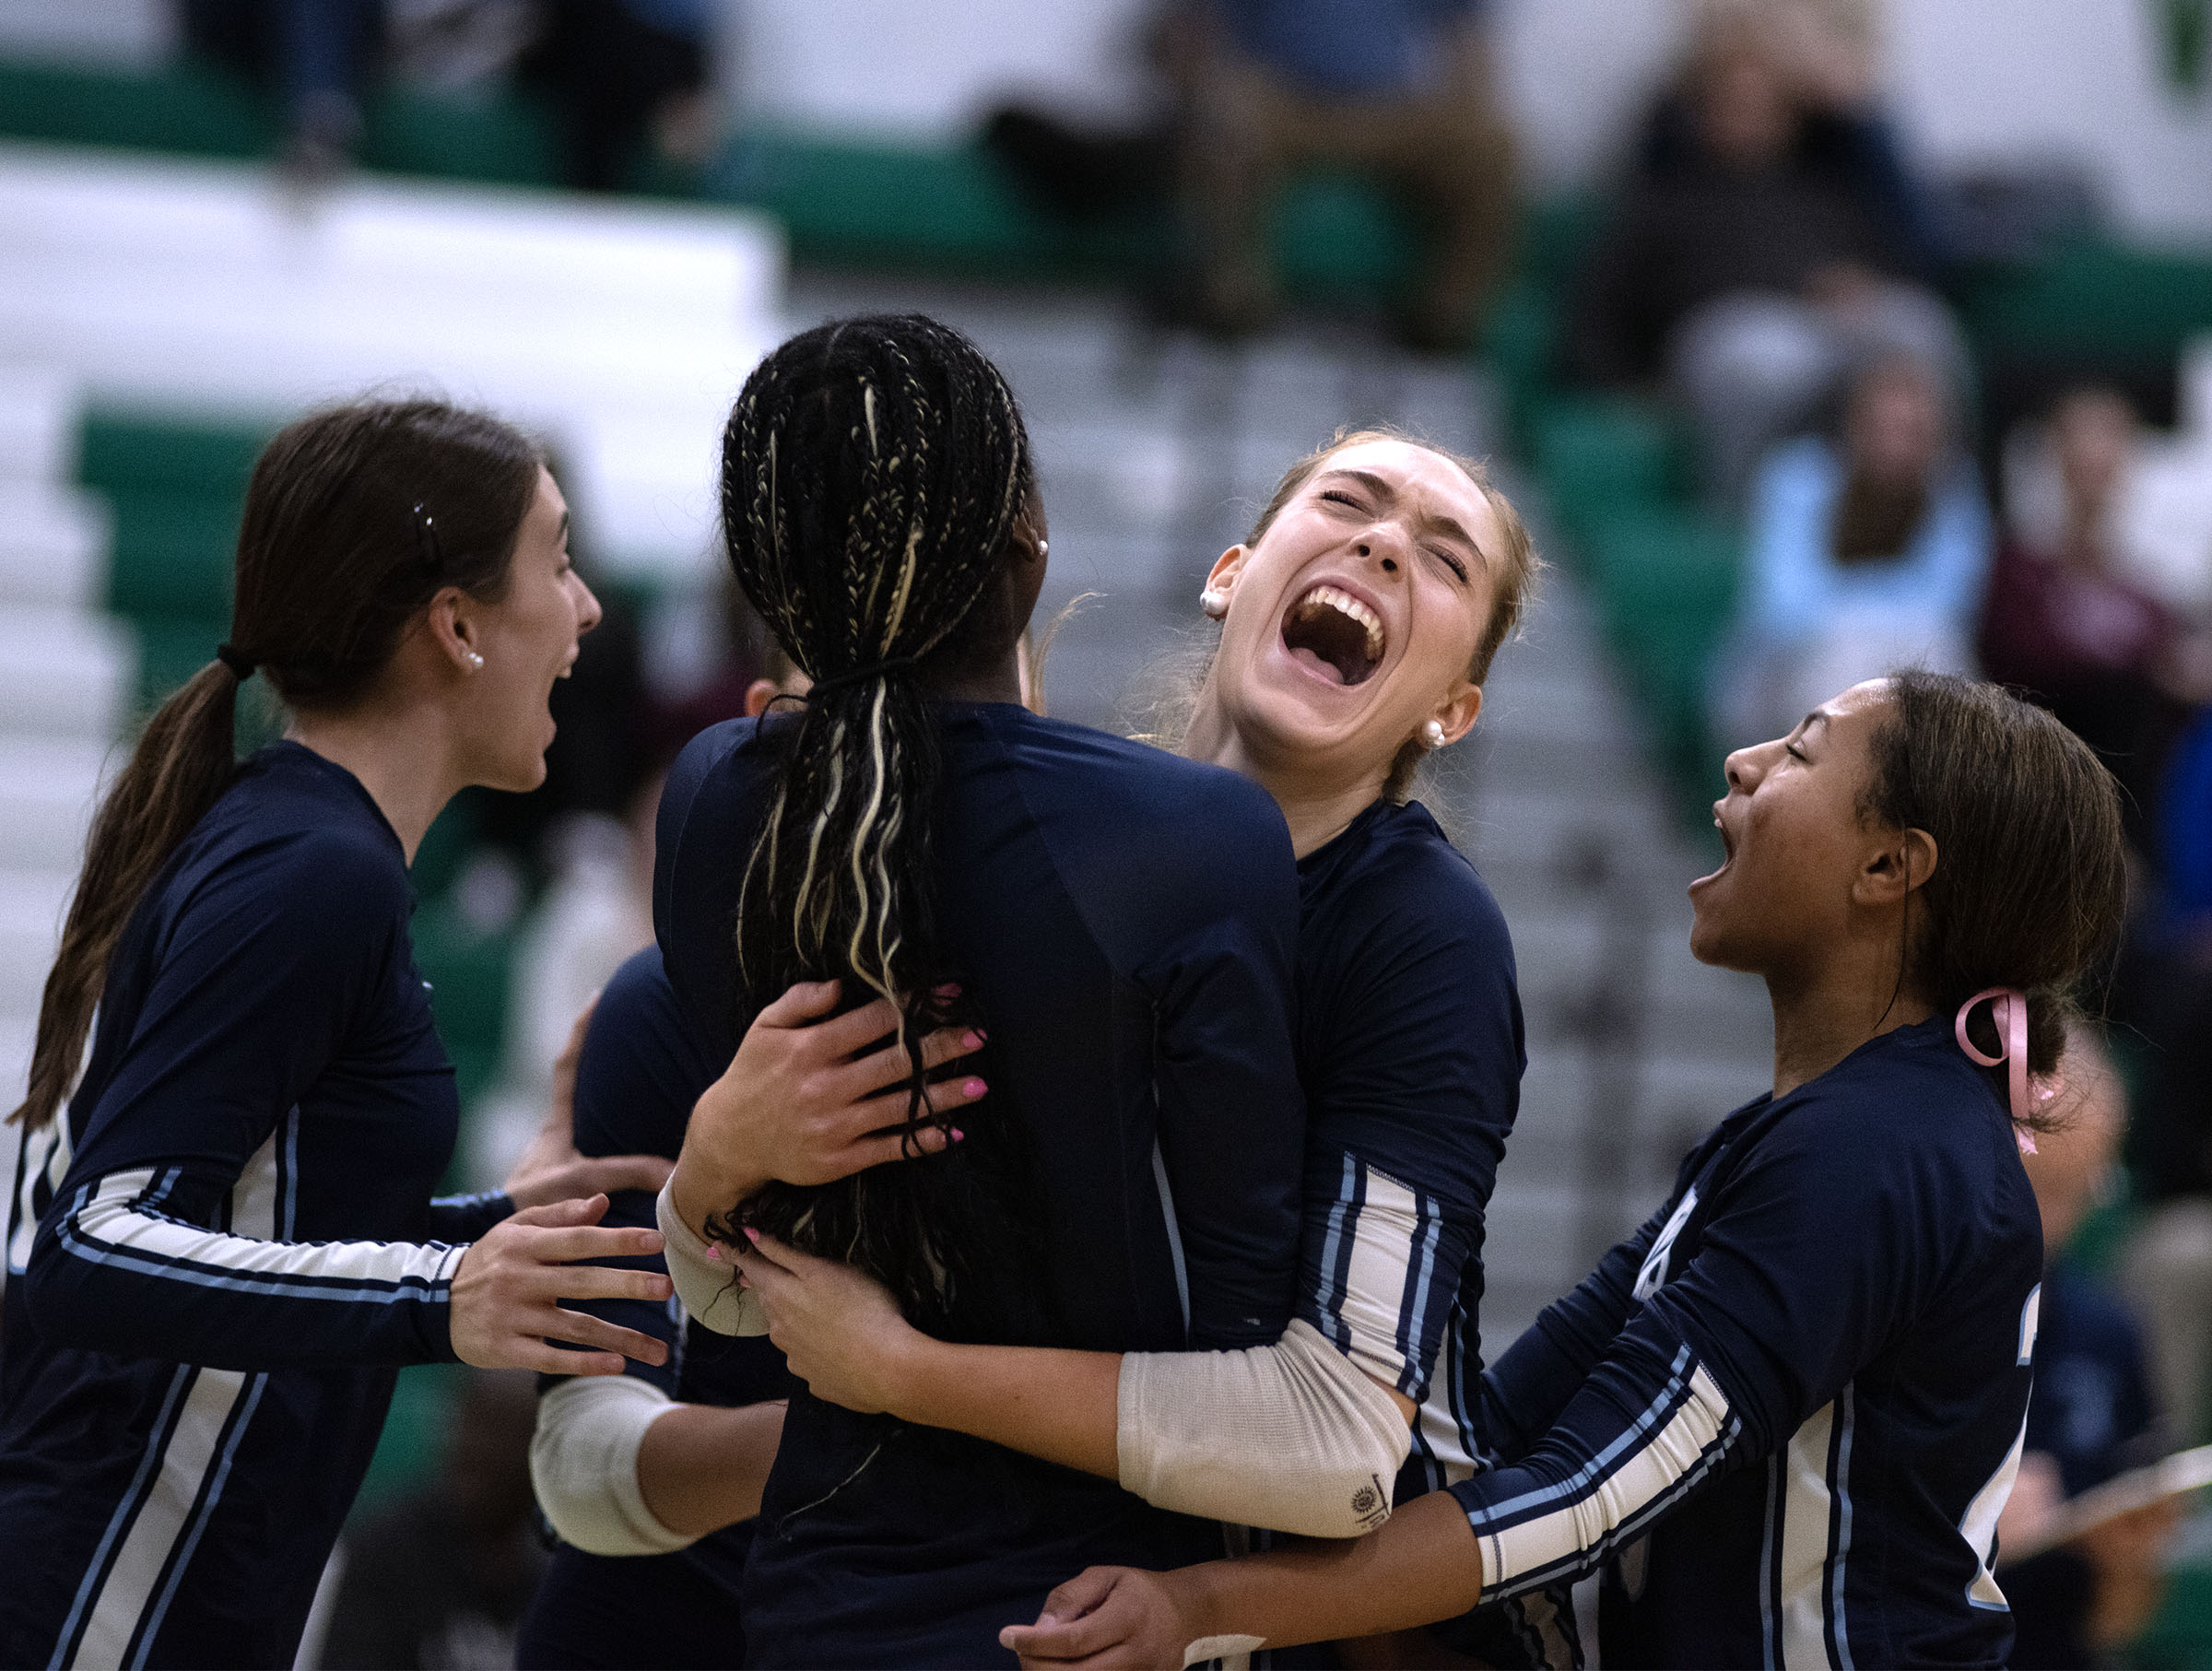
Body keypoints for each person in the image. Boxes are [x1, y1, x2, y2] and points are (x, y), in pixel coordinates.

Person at [1003, 670, 2129, 1671]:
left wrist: (1201, 1606)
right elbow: (1496, 1438)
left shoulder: (1879, 1149)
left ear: (1889, 865)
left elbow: (1584, 1492)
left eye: (1796, 752)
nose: (1741, 761)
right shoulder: (1816, 1131)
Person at [725, 429, 1555, 1659]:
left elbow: (1336, 1448)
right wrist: (714, 1155)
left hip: (1323, 1628)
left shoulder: (1425, 937)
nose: (1383, 542)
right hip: (1023, 1581)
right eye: (1347, 501)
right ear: (1231, 574)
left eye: (1442, 560)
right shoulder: (1066, 836)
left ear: (1454, 708)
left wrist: (905, 1371)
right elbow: (790, 1287)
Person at [643, 314, 1311, 1666]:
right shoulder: (1194, 836)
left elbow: (737, 1278)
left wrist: (704, 1179)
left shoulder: (715, 799)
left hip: (817, 1603)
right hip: (1109, 1609)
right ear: (1029, 537)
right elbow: (1245, 1341)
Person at [0, 399, 676, 1671]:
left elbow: (262, 1235)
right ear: (457, 627)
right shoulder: (316, 872)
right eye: (559, 561)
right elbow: (98, 1238)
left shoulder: (310, 846)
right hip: (104, 1598)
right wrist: (443, 1288)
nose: (587, 610)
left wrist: (500, 1226)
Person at [1566, 13, 1965, 504]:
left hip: (1826, 328)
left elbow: (1907, 254)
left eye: (1765, 101)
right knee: (1761, 359)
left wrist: (1862, 285)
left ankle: (1930, 523)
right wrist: (1625, 384)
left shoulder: (1822, 183)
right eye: (1732, 100)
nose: (1749, 113)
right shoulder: (1665, 194)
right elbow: (1601, 305)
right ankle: (1739, 529)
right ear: (1702, 107)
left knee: (1920, 326)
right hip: (1729, 340)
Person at [1170, 0, 1516, 350]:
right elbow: (1192, 30)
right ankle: (1234, 303)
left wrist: (1468, 106)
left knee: (1490, 147)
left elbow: (1469, 45)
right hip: (1281, 106)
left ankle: (1446, 325)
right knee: (1223, 124)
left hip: (1392, 117)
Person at [1998, 1024, 2177, 1669]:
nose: (2048, 1225)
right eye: (2034, 1187)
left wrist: (2126, 1565)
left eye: (2077, 1193)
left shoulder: (2108, 1333)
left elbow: (2120, 1624)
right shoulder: (1888, 1318)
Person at [1714, 353, 1991, 747]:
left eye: (1913, 432)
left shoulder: (1953, 486)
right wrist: (1875, 614)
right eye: (1884, 428)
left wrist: (1859, 608)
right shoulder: (1796, 477)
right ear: (1853, 425)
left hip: (1903, 659)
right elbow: (1785, 610)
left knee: (1940, 653)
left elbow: (1950, 604)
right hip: (1779, 675)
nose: (1896, 446)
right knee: (1845, 654)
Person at [1980, 386, 2176, 808]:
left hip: (2132, 777)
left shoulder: (2148, 579)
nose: (2097, 457)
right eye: (2082, 441)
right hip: (2041, 762)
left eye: (2111, 440)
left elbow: (2169, 658)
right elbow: (2018, 661)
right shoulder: (2018, 565)